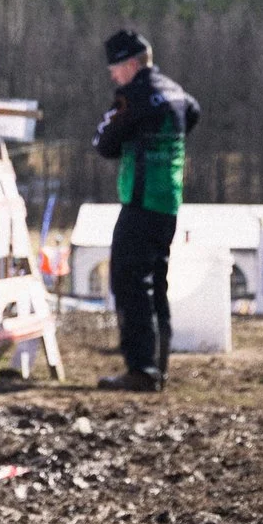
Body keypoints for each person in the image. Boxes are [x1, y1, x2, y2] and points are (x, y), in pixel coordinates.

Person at [91, 30, 201, 392]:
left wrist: (130, 138)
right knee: (157, 281)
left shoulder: (134, 95)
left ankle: (141, 368)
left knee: (129, 282)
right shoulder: (176, 92)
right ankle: (159, 365)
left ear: (131, 64)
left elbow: (104, 142)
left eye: (115, 69)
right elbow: (194, 112)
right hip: (169, 200)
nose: (112, 76)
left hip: (140, 201)